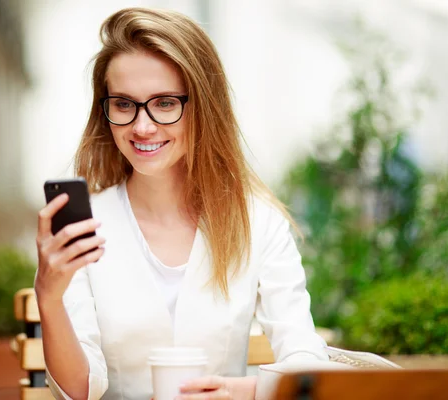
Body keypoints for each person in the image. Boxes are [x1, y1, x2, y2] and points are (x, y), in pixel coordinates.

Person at [34, 7, 328, 400]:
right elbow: (81, 391)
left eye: (165, 103)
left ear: (204, 108)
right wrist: (49, 296)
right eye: (123, 104)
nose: (142, 126)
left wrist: (243, 392)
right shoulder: (86, 228)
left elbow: (303, 358)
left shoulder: (258, 223)